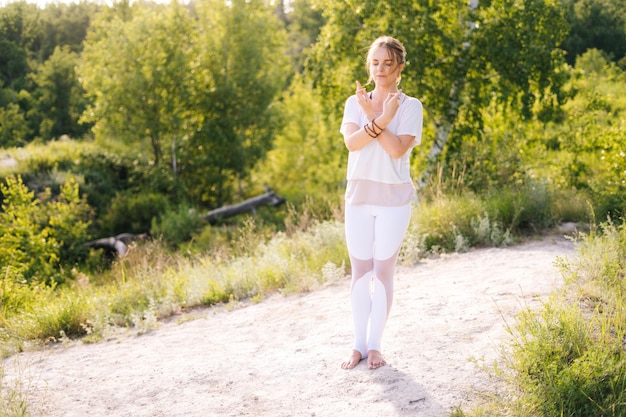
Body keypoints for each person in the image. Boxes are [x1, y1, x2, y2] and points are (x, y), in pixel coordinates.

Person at [339, 36, 423, 370]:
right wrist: (378, 117)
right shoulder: (353, 102)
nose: (381, 69)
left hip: (393, 200)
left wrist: (378, 116)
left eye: (388, 63)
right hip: (358, 198)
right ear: (369, 66)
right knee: (360, 271)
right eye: (375, 62)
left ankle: (375, 346)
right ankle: (358, 346)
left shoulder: (411, 105)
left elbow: (397, 149)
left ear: (400, 67)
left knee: (383, 270)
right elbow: (352, 143)